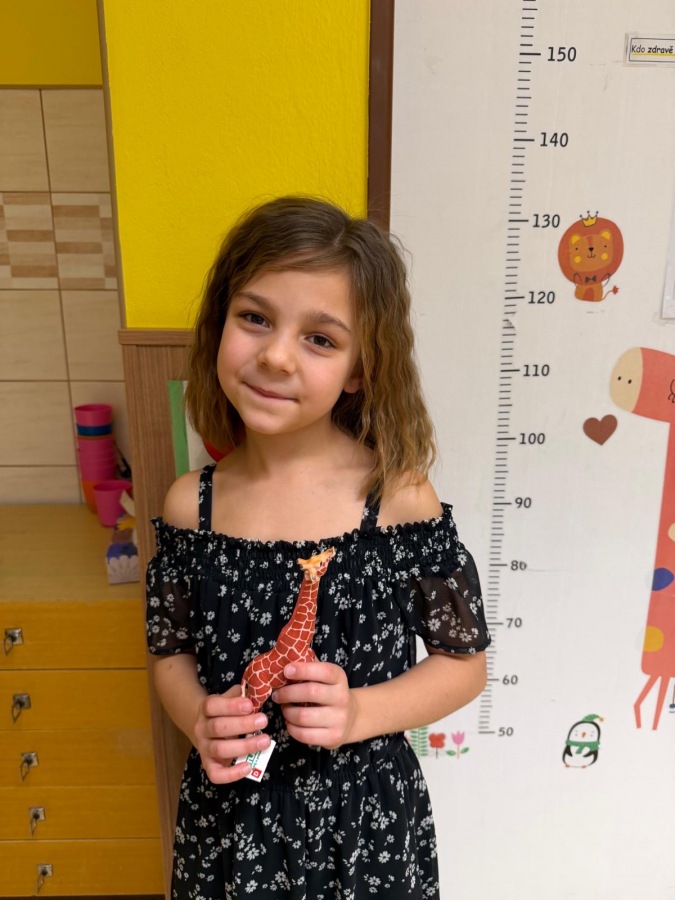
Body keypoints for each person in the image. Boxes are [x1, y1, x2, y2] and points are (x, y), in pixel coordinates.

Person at [146, 196, 491, 899]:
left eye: (320, 339)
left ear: (360, 369)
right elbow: (169, 654)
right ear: (219, 323)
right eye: (255, 318)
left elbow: (463, 666)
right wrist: (198, 721)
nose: (275, 356)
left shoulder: (398, 500)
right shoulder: (191, 508)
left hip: (367, 826)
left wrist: (360, 713)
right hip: (230, 822)